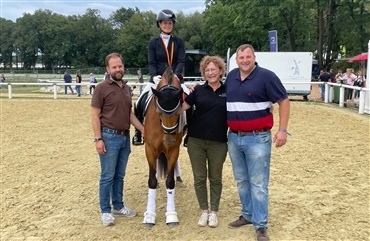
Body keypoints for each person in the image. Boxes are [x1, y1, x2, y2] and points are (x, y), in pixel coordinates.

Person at [226, 44, 290, 241]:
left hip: (258, 138)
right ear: (236, 60)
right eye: (241, 57)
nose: (244, 60)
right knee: (242, 180)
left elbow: (284, 101)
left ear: (254, 58)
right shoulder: (231, 77)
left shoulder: (266, 76)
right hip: (234, 137)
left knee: (259, 183)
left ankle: (260, 225)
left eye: (248, 57)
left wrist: (282, 130)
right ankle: (247, 214)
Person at [91, 53, 144, 226]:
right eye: (114, 67)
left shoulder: (126, 88)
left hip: (124, 137)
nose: (118, 69)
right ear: (108, 69)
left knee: (119, 176)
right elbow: (95, 115)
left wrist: (143, 129)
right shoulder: (101, 88)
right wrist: (98, 139)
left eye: (120, 66)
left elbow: (129, 114)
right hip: (108, 136)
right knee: (107, 175)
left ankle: (118, 206)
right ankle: (105, 211)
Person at [182, 55, 228, 228]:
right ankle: (204, 211)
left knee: (215, 178)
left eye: (213, 69)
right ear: (203, 73)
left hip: (219, 143)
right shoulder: (198, 91)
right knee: (199, 178)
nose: (210, 73)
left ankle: (214, 212)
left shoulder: (228, 90)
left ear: (220, 71)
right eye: (207, 70)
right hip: (196, 142)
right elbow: (181, 108)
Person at [132, 9, 189, 145]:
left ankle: (189, 133)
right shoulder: (153, 42)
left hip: (175, 78)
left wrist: (176, 74)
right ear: (159, 24)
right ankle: (138, 133)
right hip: (157, 78)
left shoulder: (179, 42)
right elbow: (152, 62)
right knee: (139, 101)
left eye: (170, 23)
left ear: (173, 24)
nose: (167, 25)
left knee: (191, 100)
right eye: (165, 23)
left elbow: (181, 61)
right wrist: (154, 76)